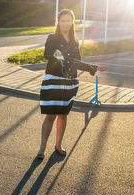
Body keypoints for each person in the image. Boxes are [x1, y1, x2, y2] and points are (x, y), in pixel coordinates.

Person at [37, 9, 107, 159]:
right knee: (50, 115)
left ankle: (58, 145)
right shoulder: (52, 38)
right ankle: (42, 148)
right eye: (63, 20)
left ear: (72, 22)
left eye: (69, 20)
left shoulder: (75, 41)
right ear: (58, 22)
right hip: (54, 81)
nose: (66, 23)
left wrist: (92, 68)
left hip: (70, 83)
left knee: (63, 115)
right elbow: (46, 53)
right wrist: (55, 55)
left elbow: (77, 62)